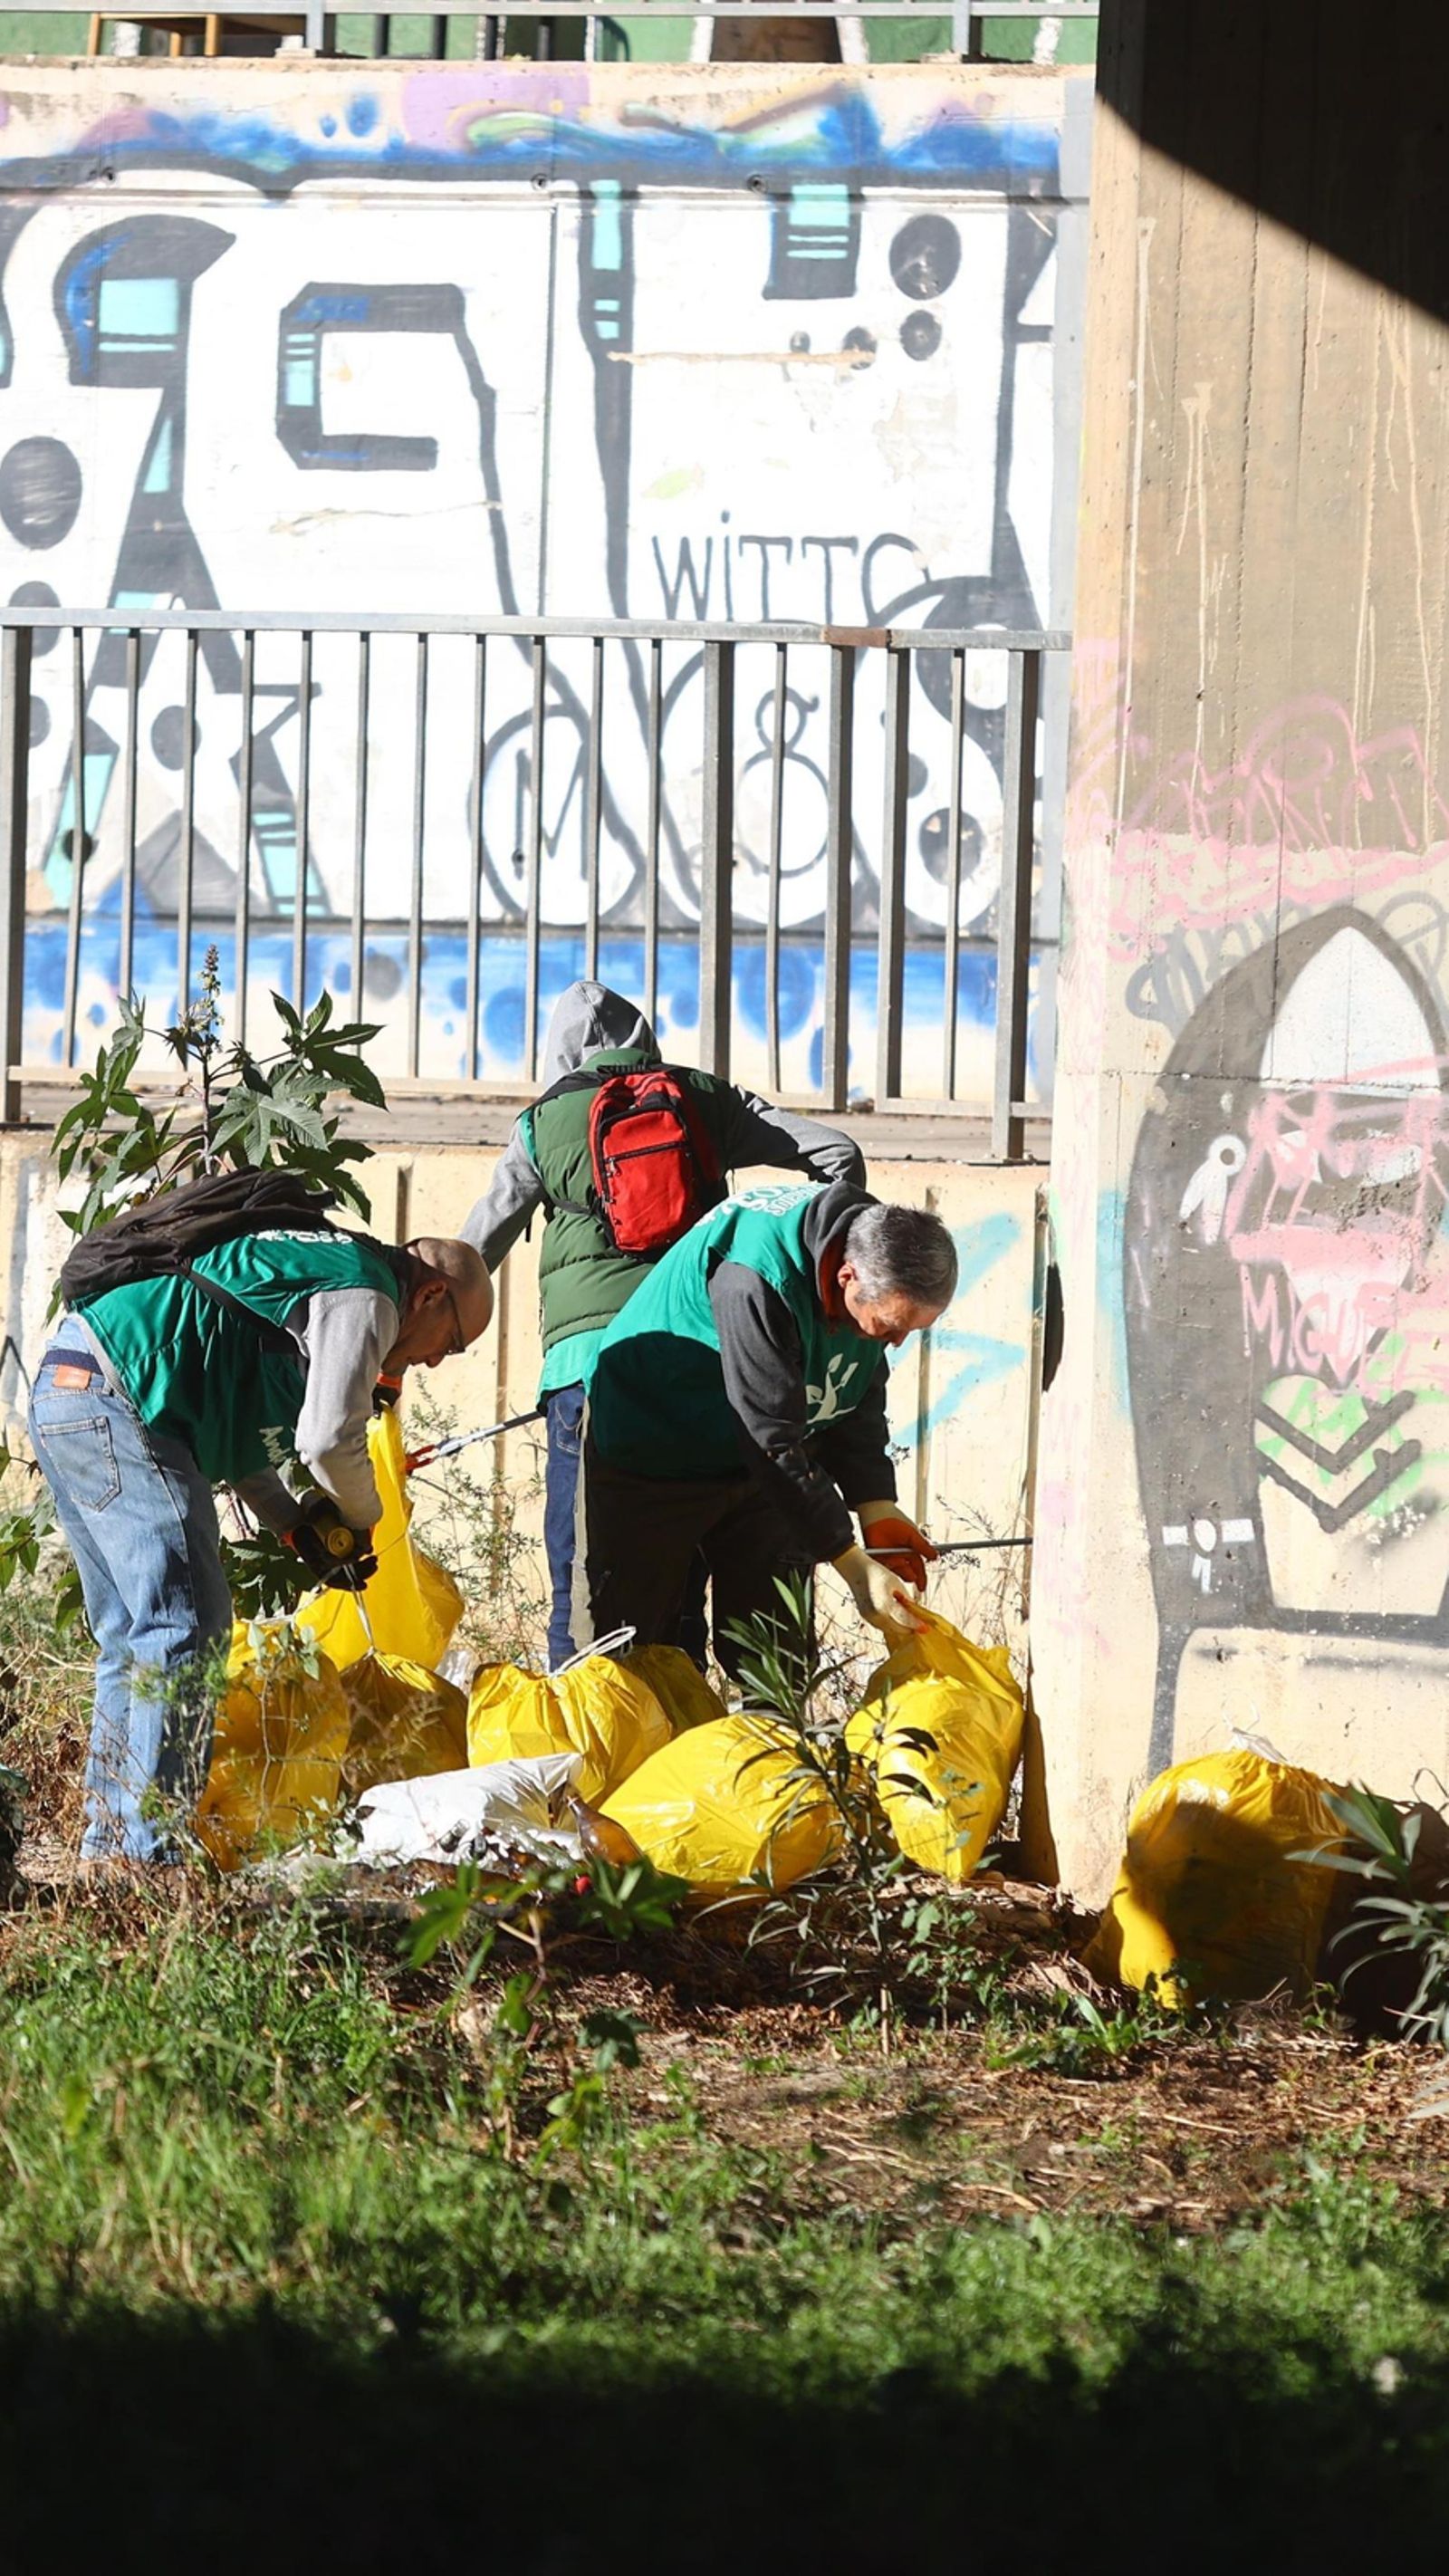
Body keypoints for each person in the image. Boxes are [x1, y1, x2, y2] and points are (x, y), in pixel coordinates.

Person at [28, 1226, 493, 1869]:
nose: (439, 1360)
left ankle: (111, 1852)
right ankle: (149, 1857)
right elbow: (329, 1440)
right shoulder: (370, 1293)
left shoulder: (318, 1268)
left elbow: (238, 1429)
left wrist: (295, 1524)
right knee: (186, 1625)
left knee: (132, 1635)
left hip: (68, 1386)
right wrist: (367, 1520)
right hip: (122, 1398)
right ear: (432, 1295)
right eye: (456, 1342)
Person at [461, 981, 865, 1668]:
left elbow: (473, 1253)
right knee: (743, 1582)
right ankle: (742, 1747)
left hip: (589, 1374)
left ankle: (597, 1755)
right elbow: (837, 1155)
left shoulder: (541, 1124)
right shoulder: (703, 1098)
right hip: (716, 1362)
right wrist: (798, 1249)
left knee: (596, 1594)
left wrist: (435, 1340)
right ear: (646, 1040)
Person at [581, 1180, 957, 1687]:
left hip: (756, 1463)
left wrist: (876, 1504)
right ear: (846, 1277)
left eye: (913, 1330)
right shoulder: (756, 1277)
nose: (896, 1342)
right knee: (643, 1653)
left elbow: (854, 1383)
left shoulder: (870, 1255)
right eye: (892, 1326)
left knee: (774, 1655)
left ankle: (774, 1754)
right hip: (656, 1446)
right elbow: (770, 1439)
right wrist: (850, 1563)